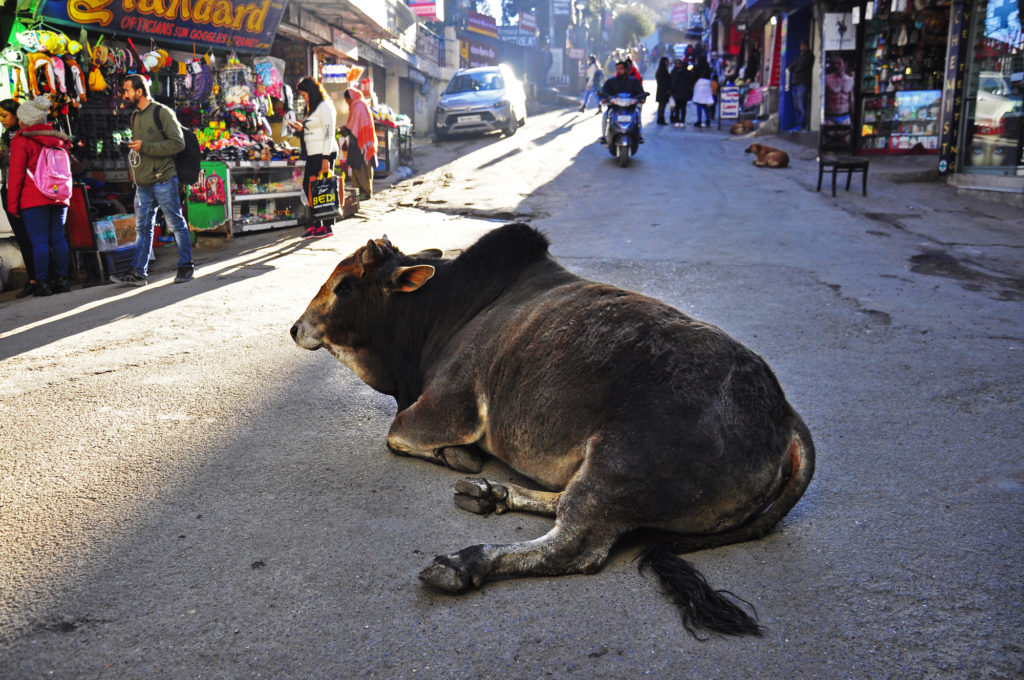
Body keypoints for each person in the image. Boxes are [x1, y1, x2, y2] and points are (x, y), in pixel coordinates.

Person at [110, 74, 193, 286]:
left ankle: (186, 267)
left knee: (175, 223)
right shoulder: (135, 116)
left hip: (164, 179)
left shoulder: (162, 112)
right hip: (143, 183)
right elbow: (140, 148)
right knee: (143, 228)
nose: (124, 94)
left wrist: (144, 147)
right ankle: (139, 272)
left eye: (127, 90)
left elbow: (178, 144)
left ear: (139, 91)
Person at [6, 95, 72, 296]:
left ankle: (42, 283)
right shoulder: (58, 137)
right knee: (58, 238)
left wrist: (12, 205)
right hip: (58, 195)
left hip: (33, 198)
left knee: (40, 242)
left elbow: (16, 174)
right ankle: (62, 279)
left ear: (25, 119)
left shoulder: (22, 139)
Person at [289, 76, 339, 239]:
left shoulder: (325, 106)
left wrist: (325, 158)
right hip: (313, 154)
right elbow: (314, 130)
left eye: (304, 95)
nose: (303, 99)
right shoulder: (314, 108)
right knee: (311, 188)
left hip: (323, 153)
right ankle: (316, 224)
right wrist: (301, 128)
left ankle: (327, 225)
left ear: (311, 92)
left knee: (323, 188)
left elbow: (329, 132)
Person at [0, 98, 36, 298]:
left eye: (4, 116)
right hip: (9, 190)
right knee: (23, 237)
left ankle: (41, 278)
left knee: (33, 237)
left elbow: (21, 160)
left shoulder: (26, 135)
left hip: (25, 190)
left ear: (17, 115)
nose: (2, 120)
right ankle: (33, 279)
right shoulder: (5, 136)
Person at [341, 87, 377, 204]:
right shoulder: (362, 104)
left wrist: (342, 130)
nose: (347, 102)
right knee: (362, 166)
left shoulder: (357, 106)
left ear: (350, 97)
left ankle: (364, 192)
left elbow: (352, 126)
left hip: (359, 142)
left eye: (347, 100)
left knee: (359, 166)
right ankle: (363, 191)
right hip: (365, 140)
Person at [598, 61, 647, 145]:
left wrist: (642, 97)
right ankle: (603, 135)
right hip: (614, 107)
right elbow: (604, 90)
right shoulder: (611, 81)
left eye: (621, 69)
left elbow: (640, 91)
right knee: (605, 115)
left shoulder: (634, 81)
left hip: (630, 107)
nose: (619, 71)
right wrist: (603, 98)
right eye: (618, 69)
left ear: (626, 69)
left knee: (638, 114)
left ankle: (640, 135)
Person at [787, 40, 813, 130]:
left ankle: (801, 124)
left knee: (801, 105)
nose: (801, 48)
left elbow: (799, 67)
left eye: (803, 46)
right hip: (796, 83)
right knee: (796, 105)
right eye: (801, 46)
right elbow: (791, 66)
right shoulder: (800, 56)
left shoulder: (808, 56)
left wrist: (795, 68)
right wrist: (795, 67)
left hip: (803, 83)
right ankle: (798, 123)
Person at [824, 55, 854, 125]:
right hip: (830, 117)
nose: (836, 66)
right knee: (829, 135)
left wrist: (853, 118)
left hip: (845, 116)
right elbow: (823, 99)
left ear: (845, 64)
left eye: (839, 63)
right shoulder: (827, 79)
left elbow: (852, 101)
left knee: (846, 135)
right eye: (835, 64)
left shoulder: (850, 80)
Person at [670, 58, 696, 127]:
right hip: (684, 93)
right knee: (683, 107)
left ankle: (678, 119)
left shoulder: (678, 73)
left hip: (678, 93)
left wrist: (672, 91)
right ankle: (682, 120)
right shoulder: (688, 73)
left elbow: (674, 83)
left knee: (678, 107)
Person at [692, 59, 715, 128]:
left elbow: (694, 76)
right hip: (707, 86)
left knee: (699, 104)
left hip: (699, 85)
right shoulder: (707, 68)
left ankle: (699, 120)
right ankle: (707, 119)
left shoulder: (697, 68)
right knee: (706, 104)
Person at [654, 57, 671, 125]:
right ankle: (661, 118)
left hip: (661, 90)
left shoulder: (661, 69)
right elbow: (665, 80)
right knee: (662, 105)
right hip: (663, 90)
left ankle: (660, 118)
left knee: (661, 105)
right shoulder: (663, 70)